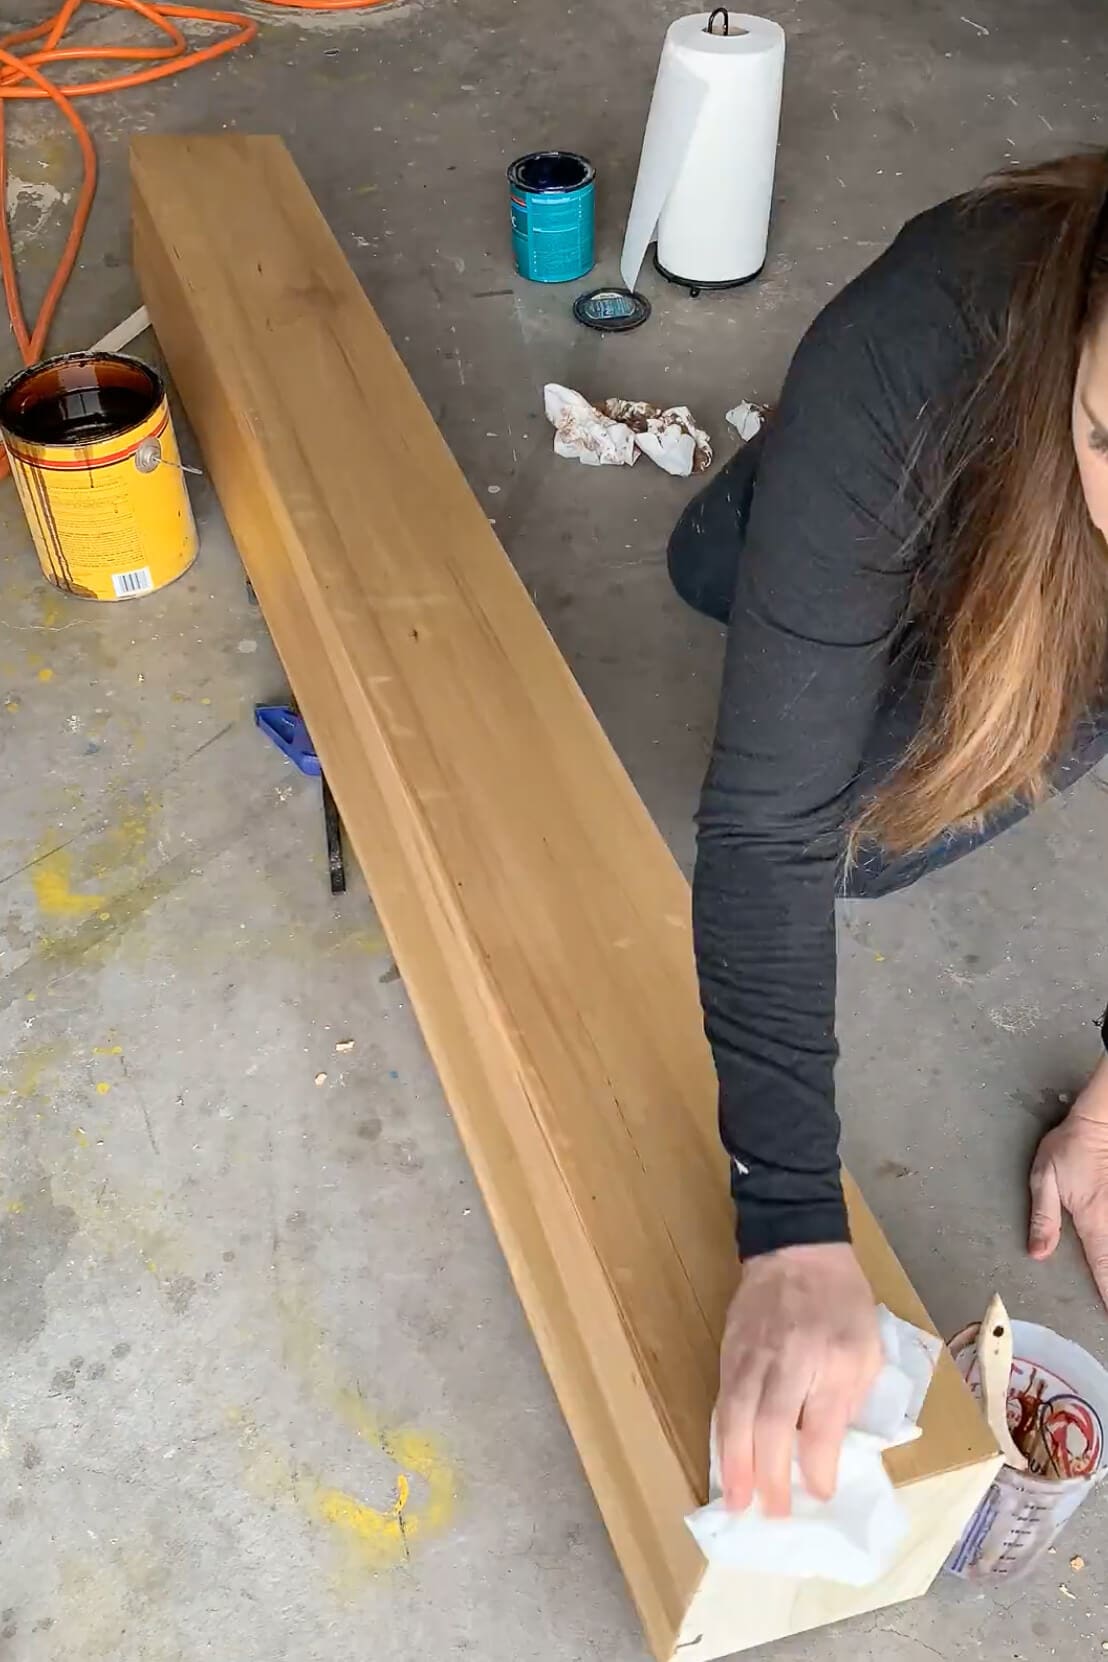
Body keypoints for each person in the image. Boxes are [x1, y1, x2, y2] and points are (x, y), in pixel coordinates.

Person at [667, 151, 1108, 1522]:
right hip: (921, 446)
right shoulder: (923, 336)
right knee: (840, 816)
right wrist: (791, 1221)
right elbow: (767, 831)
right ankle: (799, 513)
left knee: (946, 769)